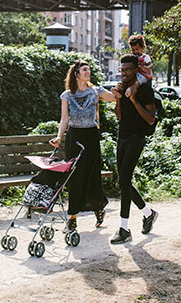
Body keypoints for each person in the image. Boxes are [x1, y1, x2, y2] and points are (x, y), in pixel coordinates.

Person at [50, 60, 116, 232]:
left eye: (89, 70)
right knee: (74, 177)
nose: (88, 72)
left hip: (91, 137)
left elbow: (115, 97)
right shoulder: (67, 95)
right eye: (84, 70)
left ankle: (98, 208)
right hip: (74, 137)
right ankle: (72, 218)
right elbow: (64, 119)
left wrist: (129, 84)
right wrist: (59, 137)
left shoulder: (96, 91)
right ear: (76, 73)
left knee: (92, 175)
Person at [111, 54, 158, 244]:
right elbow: (120, 117)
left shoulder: (145, 89)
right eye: (122, 70)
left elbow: (150, 118)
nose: (124, 73)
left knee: (124, 180)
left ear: (136, 70)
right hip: (121, 137)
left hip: (136, 138)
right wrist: (119, 99)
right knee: (123, 182)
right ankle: (148, 213)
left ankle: (124, 229)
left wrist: (133, 101)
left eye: (128, 69)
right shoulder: (122, 88)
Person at [112, 34, 153, 99]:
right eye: (133, 50)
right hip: (137, 73)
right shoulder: (134, 57)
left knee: (138, 81)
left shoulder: (145, 57)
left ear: (142, 48)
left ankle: (131, 90)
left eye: (137, 49)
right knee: (125, 78)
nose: (135, 52)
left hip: (144, 75)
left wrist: (146, 68)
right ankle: (118, 89)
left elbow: (150, 65)